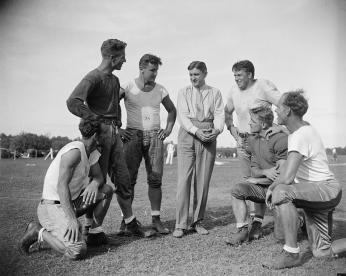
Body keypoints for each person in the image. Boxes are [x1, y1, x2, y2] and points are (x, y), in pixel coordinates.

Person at [66, 39, 147, 237]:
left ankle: (129, 223)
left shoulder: (115, 80)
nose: (125, 61)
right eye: (122, 57)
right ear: (112, 57)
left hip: (114, 136)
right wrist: (95, 120)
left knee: (124, 179)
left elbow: (114, 106)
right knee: (98, 182)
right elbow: (72, 101)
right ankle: (90, 228)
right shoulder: (93, 77)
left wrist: (117, 126)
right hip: (98, 136)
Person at [263, 91, 346, 269]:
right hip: (321, 194)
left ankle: (291, 253)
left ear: (288, 111)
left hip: (324, 191)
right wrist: (282, 128)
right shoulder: (302, 130)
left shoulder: (300, 135)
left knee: (281, 191)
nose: (276, 110)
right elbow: (298, 127)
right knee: (321, 252)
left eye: (279, 107)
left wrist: (271, 187)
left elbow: (287, 177)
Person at [18, 120, 113, 260]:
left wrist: (94, 183)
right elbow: (61, 186)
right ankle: (37, 230)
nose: (109, 136)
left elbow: (99, 178)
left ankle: (93, 234)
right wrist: (72, 220)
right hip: (52, 206)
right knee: (77, 250)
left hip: (71, 202)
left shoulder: (91, 152)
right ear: (95, 136)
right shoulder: (74, 152)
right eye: (106, 133)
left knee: (106, 190)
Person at [120, 54, 176, 234]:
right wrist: (118, 128)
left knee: (155, 180)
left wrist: (167, 130)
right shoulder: (127, 86)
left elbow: (172, 110)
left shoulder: (160, 89)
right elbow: (111, 104)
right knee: (128, 181)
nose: (155, 74)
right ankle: (126, 221)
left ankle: (156, 220)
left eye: (156, 71)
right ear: (141, 68)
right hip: (132, 135)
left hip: (154, 137)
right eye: (152, 70)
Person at [224, 60, 282, 219]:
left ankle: (259, 221)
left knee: (262, 180)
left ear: (249, 74)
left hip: (260, 141)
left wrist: (278, 127)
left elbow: (283, 104)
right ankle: (252, 219)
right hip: (242, 142)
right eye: (234, 75)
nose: (236, 79)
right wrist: (231, 129)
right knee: (248, 182)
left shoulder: (262, 85)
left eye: (239, 75)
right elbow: (227, 112)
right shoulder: (233, 90)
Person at [173, 61, 225, 238]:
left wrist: (216, 131)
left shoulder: (215, 92)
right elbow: (183, 117)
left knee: (202, 180)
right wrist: (196, 131)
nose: (193, 78)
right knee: (184, 180)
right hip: (188, 133)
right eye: (191, 75)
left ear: (204, 74)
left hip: (209, 133)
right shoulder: (183, 92)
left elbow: (219, 114)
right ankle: (180, 224)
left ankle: (197, 221)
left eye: (196, 74)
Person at [226, 107, 288, 246]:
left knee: (281, 237)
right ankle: (242, 230)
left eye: (253, 121)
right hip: (264, 188)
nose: (249, 124)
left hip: (279, 191)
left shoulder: (280, 139)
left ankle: (300, 219)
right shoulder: (254, 140)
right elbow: (254, 169)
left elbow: (282, 177)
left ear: (264, 124)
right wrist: (265, 173)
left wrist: (259, 179)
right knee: (237, 189)